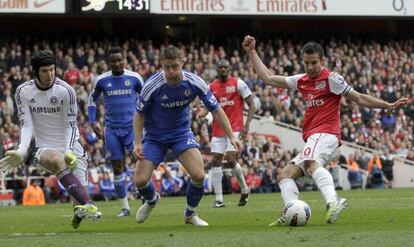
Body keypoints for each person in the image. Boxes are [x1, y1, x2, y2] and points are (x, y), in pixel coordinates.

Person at [242, 35, 409, 225]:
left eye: (314, 62)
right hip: (314, 137)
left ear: (322, 61)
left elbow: (359, 98)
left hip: (326, 133)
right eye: (307, 63)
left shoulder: (332, 78)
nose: (310, 67)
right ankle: (292, 211)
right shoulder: (301, 80)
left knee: (312, 163)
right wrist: (252, 52)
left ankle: (334, 201)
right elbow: (269, 78)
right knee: (285, 175)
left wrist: (388, 105)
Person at [133, 46, 242, 226]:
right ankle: (152, 200)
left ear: (182, 63)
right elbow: (138, 114)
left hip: (181, 134)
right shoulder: (152, 85)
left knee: (199, 175)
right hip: (154, 136)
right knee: (140, 180)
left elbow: (216, 110)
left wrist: (231, 136)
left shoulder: (195, 82)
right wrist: (138, 142)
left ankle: (190, 214)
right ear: (161, 65)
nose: (171, 71)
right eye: (167, 67)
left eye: (175, 66)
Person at [0, 50, 102, 229]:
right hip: (44, 147)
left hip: (71, 145)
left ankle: (79, 210)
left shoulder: (66, 91)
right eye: (45, 71)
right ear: (36, 72)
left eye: (52, 69)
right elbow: (26, 125)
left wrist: (69, 150)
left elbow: (70, 125)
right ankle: (89, 204)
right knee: (57, 160)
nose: (50, 74)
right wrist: (22, 150)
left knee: (76, 197)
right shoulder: (23, 91)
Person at [88, 46, 144, 217]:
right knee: (117, 167)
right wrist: (92, 121)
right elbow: (91, 99)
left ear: (124, 59)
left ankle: (145, 196)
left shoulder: (135, 78)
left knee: (142, 161)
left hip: (132, 128)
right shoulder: (102, 80)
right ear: (108, 62)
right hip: (111, 129)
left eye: (120, 59)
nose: (118, 63)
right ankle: (125, 207)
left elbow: (146, 99)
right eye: (114, 60)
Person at [200, 59, 255, 207]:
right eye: (220, 68)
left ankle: (244, 189)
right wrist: (201, 113)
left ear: (229, 69)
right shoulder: (211, 87)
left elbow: (251, 104)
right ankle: (219, 200)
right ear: (217, 70)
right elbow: (206, 107)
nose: (223, 70)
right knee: (216, 160)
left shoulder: (238, 83)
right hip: (218, 130)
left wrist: (247, 125)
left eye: (225, 67)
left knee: (231, 159)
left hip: (236, 128)